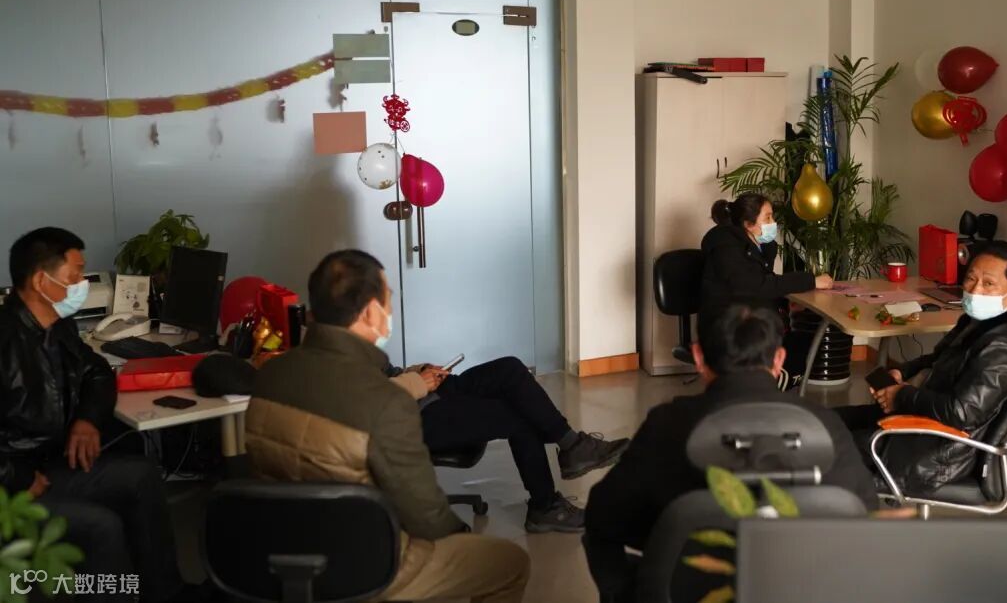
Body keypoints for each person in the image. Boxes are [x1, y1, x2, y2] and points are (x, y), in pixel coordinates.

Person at [246, 249, 530, 602]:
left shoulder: (269, 375)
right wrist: (461, 537)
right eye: (388, 299)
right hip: (363, 564)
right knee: (510, 563)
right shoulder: (386, 401)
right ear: (369, 312)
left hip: (278, 552)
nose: (390, 310)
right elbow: (427, 517)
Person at [583, 304, 877, 603]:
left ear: (698, 357)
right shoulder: (827, 425)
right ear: (779, 360)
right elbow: (867, 519)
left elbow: (601, 518)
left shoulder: (667, 425)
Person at [0, 228, 190, 603]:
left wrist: (87, 419)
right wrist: (17, 477)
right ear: (41, 281)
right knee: (102, 526)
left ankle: (166, 593)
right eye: (74, 274)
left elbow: (98, 372)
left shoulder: (58, 326)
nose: (81, 283)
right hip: (14, 484)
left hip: (51, 463)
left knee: (141, 476)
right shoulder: (5, 341)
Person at [835, 241, 1007, 494]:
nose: (975, 290)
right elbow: (936, 358)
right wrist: (902, 372)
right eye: (971, 278)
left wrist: (902, 395)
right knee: (825, 420)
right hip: (921, 425)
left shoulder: (1001, 348)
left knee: (823, 443)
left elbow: (962, 413)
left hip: (937, 454)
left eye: (988, 283)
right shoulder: (976, 323)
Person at [386, 351, 629, 535]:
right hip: (407, 420)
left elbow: (389, 375)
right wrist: (417, 383)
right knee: (517, 414)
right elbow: (368, 401)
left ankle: (573, 445)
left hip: (421, 395)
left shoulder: (365, 338)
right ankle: (545, 505)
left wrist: (421, 371)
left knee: (509, 369)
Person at [699, 193, 834, 387]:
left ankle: (776, 381)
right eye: (768, 217)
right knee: (797, 345)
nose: (773, 223)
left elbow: (761, 284)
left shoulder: (756, 246)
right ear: (748, 224)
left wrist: (785, 303)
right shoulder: (727, 248)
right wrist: (811, 281)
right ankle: (771, 382)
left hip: (748, 319)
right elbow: (757, 286)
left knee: (806, 341)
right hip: (729, 327)